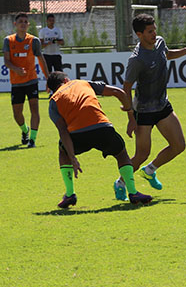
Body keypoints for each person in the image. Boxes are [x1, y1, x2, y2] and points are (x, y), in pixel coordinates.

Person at [122, 14, 186, 191]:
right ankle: (121, 183)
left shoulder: (160, 42)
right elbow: (126, 88)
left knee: (179, 145)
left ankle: (150, 171)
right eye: (150, 31)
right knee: (141, 155)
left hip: (162, 106)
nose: (154, 34)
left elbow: (167, 54)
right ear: (139, 34)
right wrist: (131, 117)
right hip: (144, 111)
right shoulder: (136, 60)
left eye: (155, 30)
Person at [46, 71, 152, 208]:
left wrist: (72, 158)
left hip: (77, 135)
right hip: (102, 128)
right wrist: (130, 115)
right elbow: (118, 92)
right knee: (121, 153)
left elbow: (63, 131)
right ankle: (133, 192)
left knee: (63, 151)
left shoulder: (53, 101)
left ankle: (70, 194)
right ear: (66, 80)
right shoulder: (81, 83)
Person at [3, 12, 49, 148]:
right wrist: (16, 69)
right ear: (15, 24)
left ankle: (33, 140)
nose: (23, 24)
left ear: (28, 25)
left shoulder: (33, 41)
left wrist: (48, 79)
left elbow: (41, 60)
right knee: (17, 114)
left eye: (25, 21)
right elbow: (6, 61)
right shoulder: (8, 41)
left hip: (31, 80)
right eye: (20, 21)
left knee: (34, 109)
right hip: (16, 83)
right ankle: (25, 130)